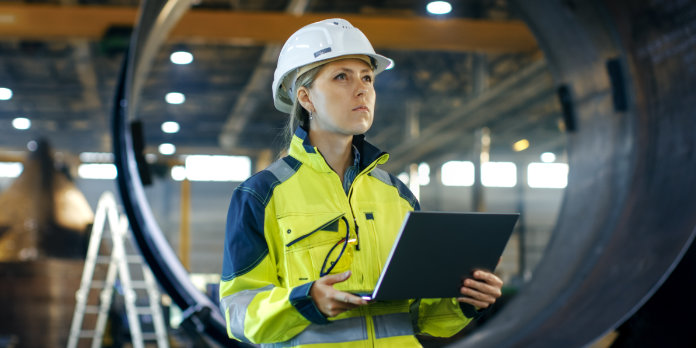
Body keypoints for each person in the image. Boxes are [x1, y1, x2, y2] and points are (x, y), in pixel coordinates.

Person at [219, 18, 503, 347]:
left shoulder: (397, 196)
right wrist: (305, 301)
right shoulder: (261, 195)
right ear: (306, 98)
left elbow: (422, 317)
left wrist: (465, 300)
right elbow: (239, 314)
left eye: (367, 77)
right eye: (342, 76)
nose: (362, 88)